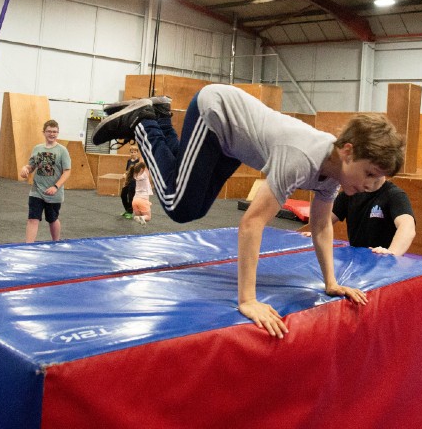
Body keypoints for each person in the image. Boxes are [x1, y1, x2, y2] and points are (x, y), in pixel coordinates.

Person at [92, 84, 405, 338]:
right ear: (347, 152)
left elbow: (322, 226)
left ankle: (160, 116)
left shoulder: (334, 171)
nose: (370, 185)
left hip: (234, 141)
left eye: (378, 178)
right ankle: (144, 121)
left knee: (193, 208)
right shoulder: (300, 158)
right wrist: (248, 300)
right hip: (216, 113)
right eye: (370, 173)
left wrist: (331, 282)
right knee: (176, 203)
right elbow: (252, 224)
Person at [300, 179, 416, 256]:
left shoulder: (394, 195)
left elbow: (407, 227)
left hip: (381, 262)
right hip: (356, 261)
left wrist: (392, 253)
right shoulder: (350, 193)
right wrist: (315, 231)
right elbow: (326, 220)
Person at [19, 119, 72, 243]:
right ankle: (29, 246)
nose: (52, 134)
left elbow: (67, 171)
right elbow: (31, 166)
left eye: (55, 132)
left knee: (52, 219)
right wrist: (25, 168)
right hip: (36, 191)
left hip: (53, 193)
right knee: (33, 219)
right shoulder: (37, 148)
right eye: (49, 131)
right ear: (44, 132)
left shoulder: (62, 150)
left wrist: (56, 186)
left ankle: (56, 242)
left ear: (57, 133)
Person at [120, 145, 141, 218]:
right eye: (131, 152)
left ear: (137, 153)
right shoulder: (129, 161)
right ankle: (127, 210)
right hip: (128, 181)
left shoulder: (138, 161)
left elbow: (139, 172)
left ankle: (130, 212)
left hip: (134, 181)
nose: (133, 153)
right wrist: (124, 174)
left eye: (134, 152)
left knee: (131, 196)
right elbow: (127, 170)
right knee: (123, 195)